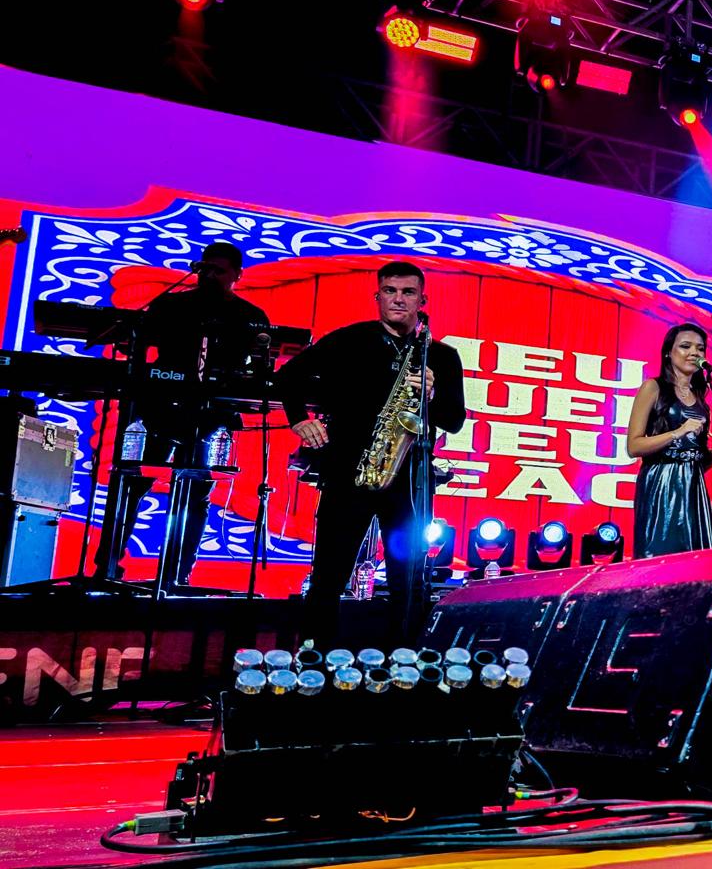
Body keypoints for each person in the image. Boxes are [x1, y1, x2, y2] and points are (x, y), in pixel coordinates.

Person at [277, 261, 467, 647]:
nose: (398, 299)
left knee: (409, 580)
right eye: (390, 291)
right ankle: (315, 658)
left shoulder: (441, 356)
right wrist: (299, 420)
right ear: (377, 296)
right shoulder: (349, 340)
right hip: (348, 469)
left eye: (408, 292)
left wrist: (431, 396)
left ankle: (403, 660)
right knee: (329, 574)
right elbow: (288, 376)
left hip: (409, 477)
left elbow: (455, 420)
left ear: (423, 300)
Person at [94, 241, 269, 589]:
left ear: (237, 275)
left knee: (196, 492)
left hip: (211, 415)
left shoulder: (249, 316)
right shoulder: (172, 304)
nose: (210, 275)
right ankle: (108, 568)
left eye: (219, 271)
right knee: (132, 482)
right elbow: (137, 340)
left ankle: (178, 574)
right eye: (205, 268)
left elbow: (258, 368)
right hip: (160, 406)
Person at [624, 323, 712, 557]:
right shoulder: (653, 388)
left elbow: (698, 463)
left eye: (700, 348)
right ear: (669, 352)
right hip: (661, 484)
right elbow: (633, 446)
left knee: (705, 558)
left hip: (693, 487)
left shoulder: (701, 401)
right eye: (685, 346)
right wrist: (678, 431)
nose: (694, 353)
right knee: (663, 556)